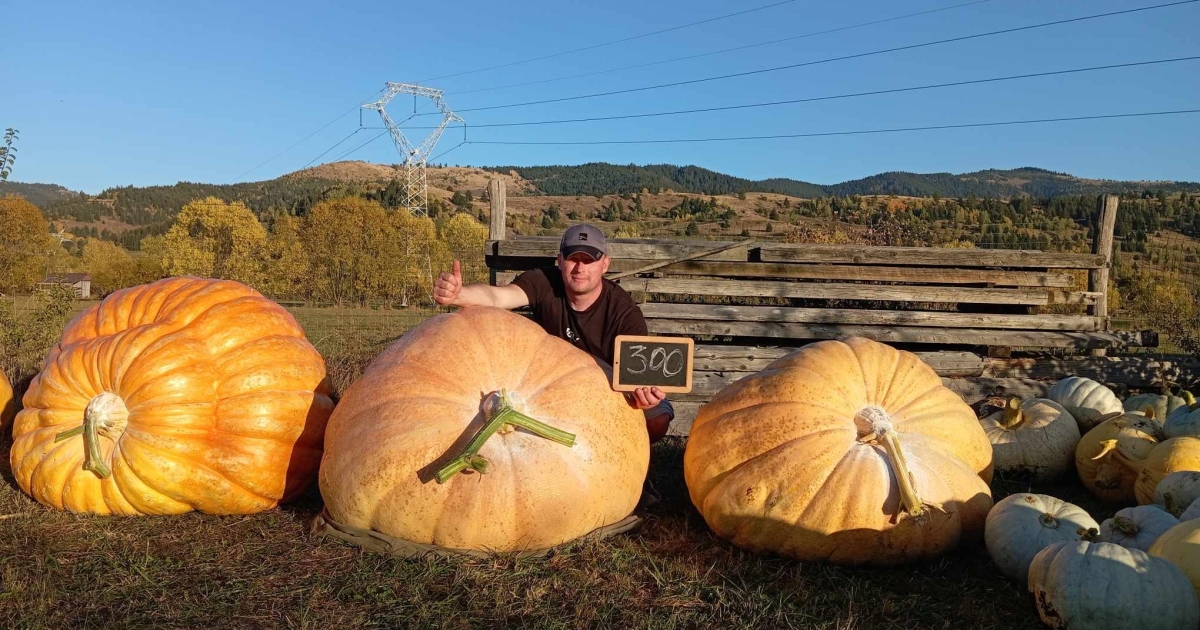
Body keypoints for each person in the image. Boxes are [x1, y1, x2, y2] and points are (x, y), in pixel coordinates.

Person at [433, 223, 674, 442]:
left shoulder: (625, 314)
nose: (580, 268)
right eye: (573, 258)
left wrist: (644, 396)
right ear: (560, 260)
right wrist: (460, 294)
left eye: (589, 260)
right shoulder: (543, 282)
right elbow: (498, 297)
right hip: (546, 385)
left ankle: (624, 462)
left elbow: (638, 377)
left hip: (604, 390)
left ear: (605, 264)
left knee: (657, 420)